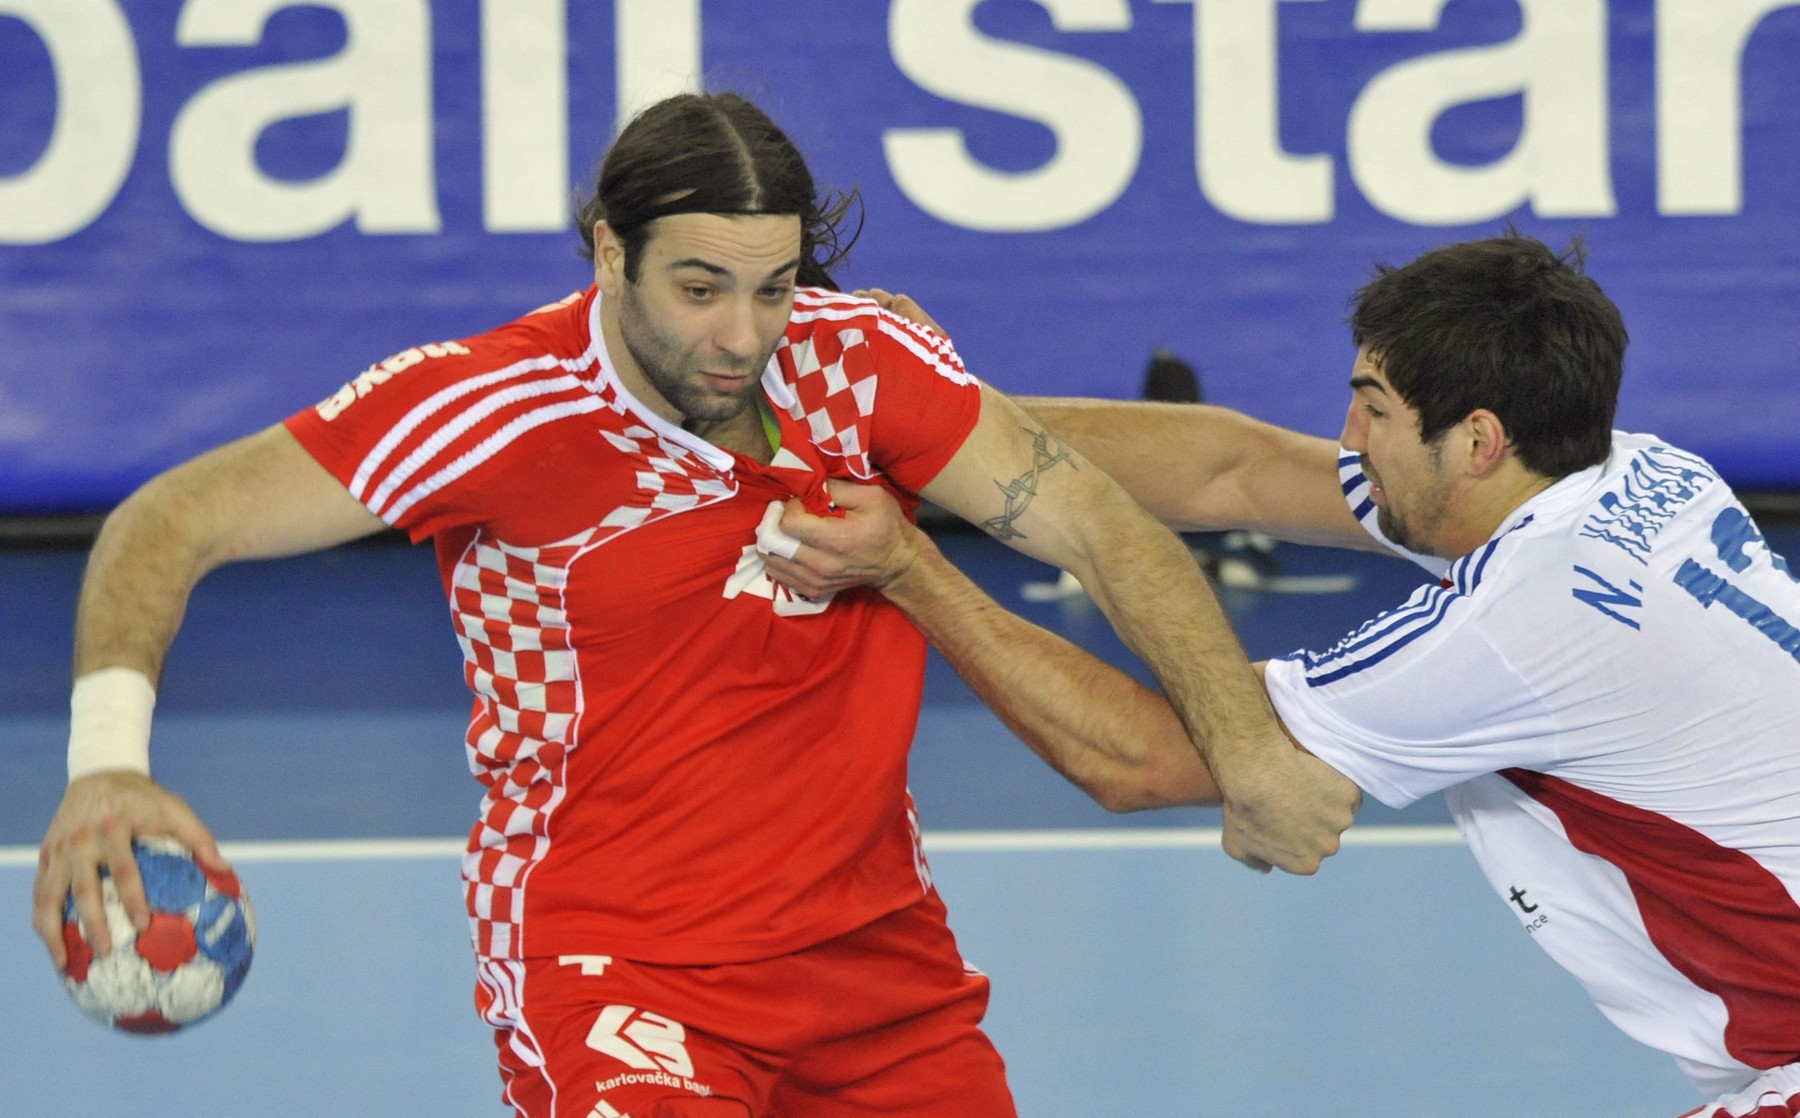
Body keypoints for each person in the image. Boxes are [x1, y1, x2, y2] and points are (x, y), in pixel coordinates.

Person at [31, 91, 1356, 1118]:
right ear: (609, 250)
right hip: (617, 962)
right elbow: (174, 517)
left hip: (877, 967)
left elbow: (1102, 517)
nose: (742, 334)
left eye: (775, 287)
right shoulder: (487, 409)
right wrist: (105, 767)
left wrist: (1245, 749)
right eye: (700, 288)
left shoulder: (860, 366)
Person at [769, 236, 1800, 1117]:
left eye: (1374, 408)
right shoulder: (1629, 468)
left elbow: (1140, 761)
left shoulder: (1519, 626)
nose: (1349, 436)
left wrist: (912, 568)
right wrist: (936, 411)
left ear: (1478, 439)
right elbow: (1238, 467)